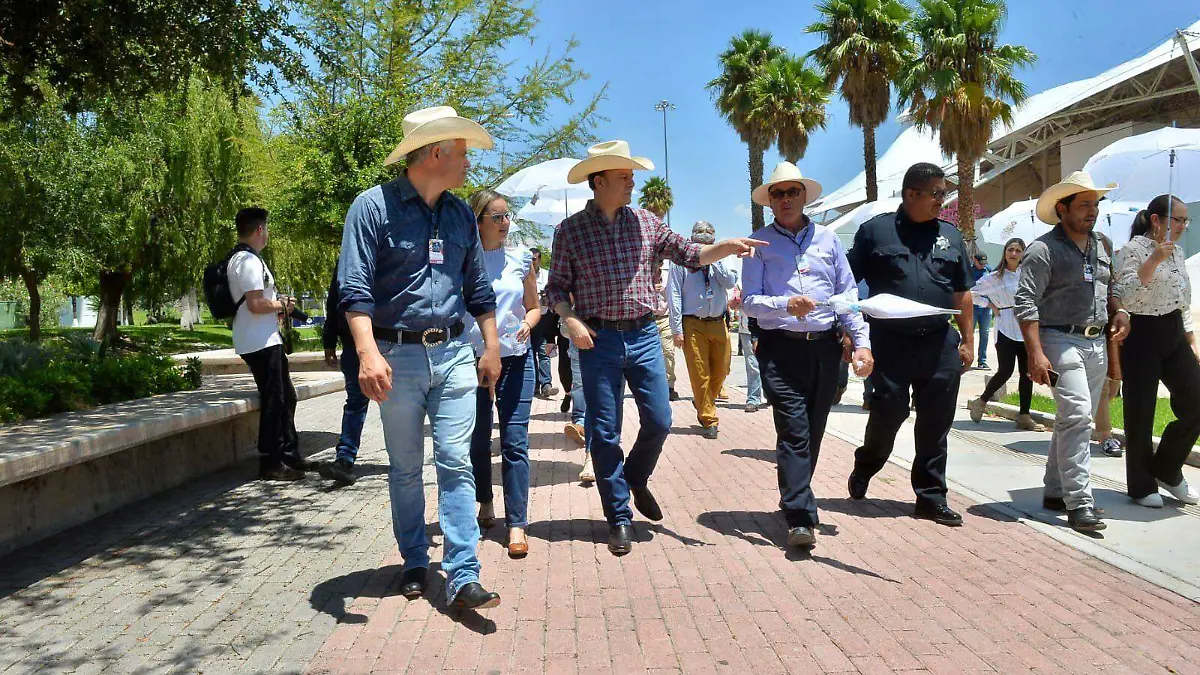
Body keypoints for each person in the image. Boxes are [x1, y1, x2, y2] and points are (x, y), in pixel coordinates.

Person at [545, 140, 765, 555]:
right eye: (625, 176)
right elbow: (555, 289)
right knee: (604, 432)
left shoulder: (647, 223)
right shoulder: (569, 232)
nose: (632, 183)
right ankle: (619, 517)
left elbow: (691, 253)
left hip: (646, 334)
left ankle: (634, 476)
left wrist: (728, 246)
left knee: (661, 420)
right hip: (598, 340)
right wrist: (570, 319)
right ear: (600, 181)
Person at [338, 106, 502, 609]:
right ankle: (414, 557)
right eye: (463, 152)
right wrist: (367, 353)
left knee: (456, 461)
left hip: (453, 351)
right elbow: (354, 288)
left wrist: (491, 345)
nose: (468, 163)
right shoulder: (372, 208)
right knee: (407, 467)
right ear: (436, 153)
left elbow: (477, 286)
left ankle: (462, 573)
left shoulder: (458, 215)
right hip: (395, 357)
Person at [742, 162, 873, 548]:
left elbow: (848, 298)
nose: (784, 199)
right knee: (794, 431)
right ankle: (800, 515)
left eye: (791, 192)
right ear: (769, 201)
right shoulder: (757, 244)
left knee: (813, 432)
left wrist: (861, 343)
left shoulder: (829, 240)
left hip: (825, 348)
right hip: (780, 349)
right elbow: (749, 302)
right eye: (777, 194)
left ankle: (796, 495)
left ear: (803, 196)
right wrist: (786, 304)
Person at [845, 162, 974, 527]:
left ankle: (931, 497)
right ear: (911, 194)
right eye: (936, 194)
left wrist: (967, 339)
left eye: (944, 194)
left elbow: (962, 292)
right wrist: (849, 333)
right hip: (889, 343)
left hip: (938, 342)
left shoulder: (951, 236)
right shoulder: (875, 232)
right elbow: (846, 282)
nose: (942, 201)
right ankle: (866, 464)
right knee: (889, 414)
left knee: (936, 422)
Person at [1014, 171, 1129, 533]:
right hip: (1058, 339)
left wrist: (1121, 311)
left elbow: (1110, 286)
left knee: (1072, 418)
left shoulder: (1102, 245)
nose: (1091, 212)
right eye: (1083, 205)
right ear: (1062, 209)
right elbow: (1025, 302)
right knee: (1079, 415)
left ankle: (1054, 490)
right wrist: (1035, 354)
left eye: (1094, 204)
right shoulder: (1042, 250)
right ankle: (1080, 501)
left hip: (1096, 342)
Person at [465, 189, 540, 557]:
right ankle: (484, 501)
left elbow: (534, 307)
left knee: (514, 441)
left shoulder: (521, 258)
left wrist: (528, 322)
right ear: (478, 221)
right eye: (498, 217)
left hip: (515, 359)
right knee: (478, 441)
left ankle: (517, 524)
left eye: (507, 215)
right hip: (472, 361)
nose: (506, 223)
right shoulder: (463, 258)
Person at [1113, 195, 1200, 507]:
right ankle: (1141, 485)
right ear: (1156, 220)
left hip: (1174, 332)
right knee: (1140, 411)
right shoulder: (1133, 250)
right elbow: (1127, 296)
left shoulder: (1177, 252)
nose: (1182, 226)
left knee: (1197, 401)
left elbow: (1182, 299)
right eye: (1178, 219)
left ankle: (1166, 467)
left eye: (1185, 220)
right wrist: (1153, 260)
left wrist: (1190, 341)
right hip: (1142, 335)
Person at [228, 207, 308, 481]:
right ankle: (271, 461)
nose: (268, 234)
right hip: (260, 341)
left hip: (261, 338)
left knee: (286, 397)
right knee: (276, 399)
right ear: (260, 229)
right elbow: (255, 304)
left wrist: (278, 305)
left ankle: (288, 454)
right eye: (267, 229)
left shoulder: (242, 259)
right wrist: (282, 304)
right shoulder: (248, 261)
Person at [966, 239, 1047, 432]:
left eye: (1018, 250)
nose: (1014, 253)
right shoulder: (994, 277)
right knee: (1005, 370)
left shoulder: (1028, 275)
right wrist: (990, 305)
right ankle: (982, 400)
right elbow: (972, 293)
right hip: (1005, 327)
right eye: (1010, 249)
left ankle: (1024, 415)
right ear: (1004, 253)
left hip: (1027, 327)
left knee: (1028, 373)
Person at [667, 221, 739, 438]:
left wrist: (714, 259)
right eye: (699, 242)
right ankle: (708, 417)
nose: (703, 246)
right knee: (700, 373)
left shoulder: (720, 260)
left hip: (718, 321)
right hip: (693, 323)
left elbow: (729, 283)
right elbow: (674, 295)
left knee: (722, 369)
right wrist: (677, 329)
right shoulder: (679, 263)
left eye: (708, 242)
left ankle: (702, 402)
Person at [319, 258, 369, 485]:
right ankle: (345, 459)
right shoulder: (347, 260)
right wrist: (329, 341)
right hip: (353, 344)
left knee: (399, 405)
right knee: (356, 403)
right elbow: (334, 301)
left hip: (390, 342)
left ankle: (405, 460)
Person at [529, 248, 559, 400]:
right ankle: (533, 385)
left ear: (539, 260)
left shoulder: (547, 275)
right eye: (529, 259)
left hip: (544, 319)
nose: (532, 262)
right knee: (529, 353)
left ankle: (546, 384)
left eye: (534, 259)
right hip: (527, 319)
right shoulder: (521, 274)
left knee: (543, 352)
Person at [728, 287, 765, 413]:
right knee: (752, 365)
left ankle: (770, 393)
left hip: (765, 329)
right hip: (746, 330)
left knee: (768, 364)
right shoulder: (740, 284)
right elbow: (732, 305)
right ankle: (753, 399)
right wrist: (739, 296)